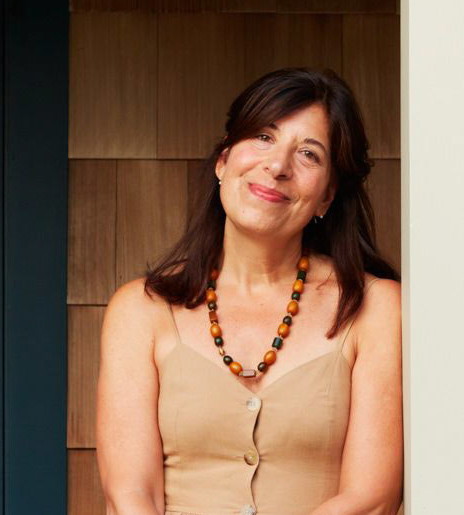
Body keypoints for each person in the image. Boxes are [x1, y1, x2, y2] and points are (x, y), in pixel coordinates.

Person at [96, 67, 403, 515]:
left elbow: (370, 499)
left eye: (309, 155)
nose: (277, 166)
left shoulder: (377, 309)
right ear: (223, 160)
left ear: (327, 196)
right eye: (262, 137)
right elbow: (130, 496)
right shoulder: (140, 311)